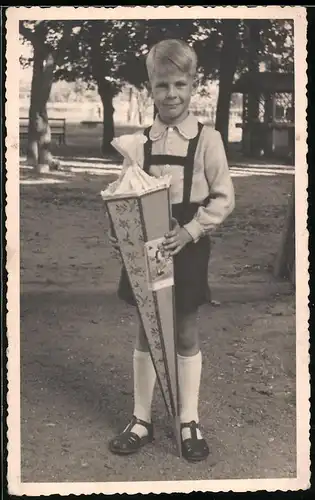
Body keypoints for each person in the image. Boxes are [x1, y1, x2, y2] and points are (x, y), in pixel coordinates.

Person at [108, 39, 235, 462]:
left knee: (182, 330)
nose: (172, 94)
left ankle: (188, 419)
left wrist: (193, 230)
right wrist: (121, 230)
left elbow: (222, 198)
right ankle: (140, 418)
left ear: (194, 84)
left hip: (188, 245)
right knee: (147, 328)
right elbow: (125, 195)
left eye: (180, 84)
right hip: (146, 249)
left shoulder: (208, 139)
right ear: (150, 86)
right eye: (162, 85)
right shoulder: (138, 142)